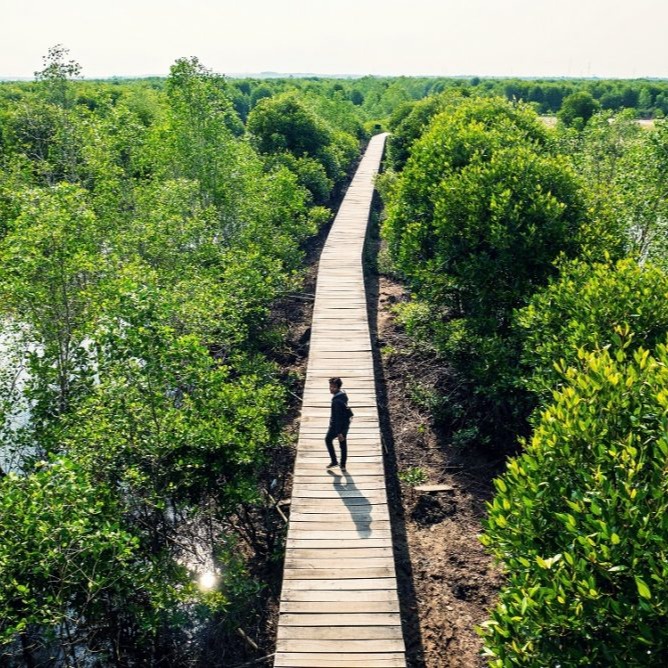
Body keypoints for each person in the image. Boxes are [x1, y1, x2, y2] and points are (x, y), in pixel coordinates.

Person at [325, 377, 351, 472]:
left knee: (328, 440)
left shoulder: (336, 402)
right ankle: (343, 465)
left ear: (338, 388)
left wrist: (339, 432)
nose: (331, 389)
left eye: (333, 387)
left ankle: (334, 461)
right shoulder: (343, 395)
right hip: (345, 424)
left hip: (337, 426)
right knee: (343, 443)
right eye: (330, 386)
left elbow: (337, 418)